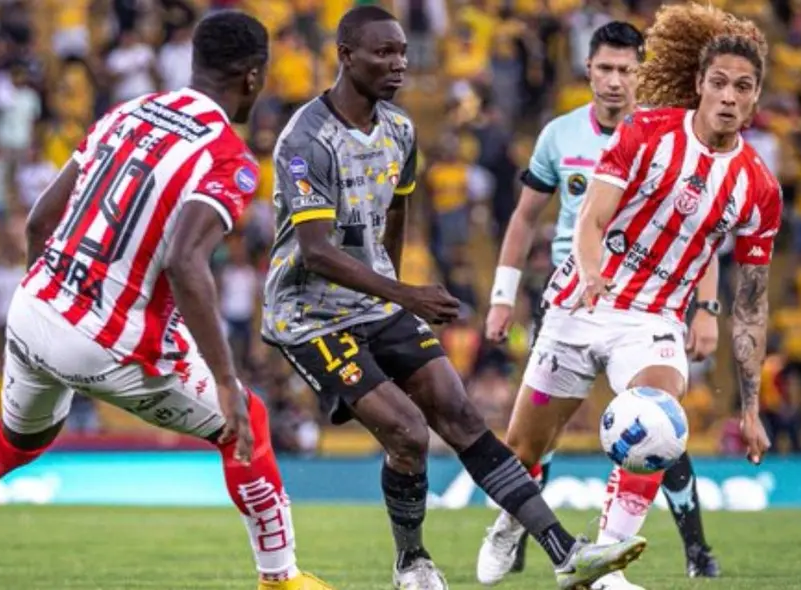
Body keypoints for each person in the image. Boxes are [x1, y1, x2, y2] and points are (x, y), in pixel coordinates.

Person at [0, 12, 332, 590]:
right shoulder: (227, 157)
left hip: (34, 308)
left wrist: (52, 306)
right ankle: (279, 580)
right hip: (109, 337)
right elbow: (185, 262)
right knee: (245, 419)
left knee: (11, 442)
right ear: (254, 77)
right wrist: (225, 380)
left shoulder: (127, 113)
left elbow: (40, 220)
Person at [261, 6, 646, 590]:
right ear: (345, 56)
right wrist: (405, 292)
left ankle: (568, 555)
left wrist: (393, 295)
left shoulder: (400, 129)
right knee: (409, 432)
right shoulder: (306, 139)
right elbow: (315, 252)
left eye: (401, 52)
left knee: (462, 414)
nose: (399, 64)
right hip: (309, 315)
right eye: (383, 53)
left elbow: (397, 212)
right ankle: (412, 563)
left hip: (375, 302)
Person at [478, 5, 778, 590]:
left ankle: (605, 568)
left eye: (742, 87)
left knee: (657, 420)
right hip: (579, 302)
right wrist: (593, 274)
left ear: (755, 97)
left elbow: (751, 304)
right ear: (699, 83)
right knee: (523, 448)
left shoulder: (758, 187)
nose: (728, 97)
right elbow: (591, 219)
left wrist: (750, 405)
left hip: (653, 320)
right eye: (718, 82)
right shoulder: (645, 132)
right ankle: (508, 522)